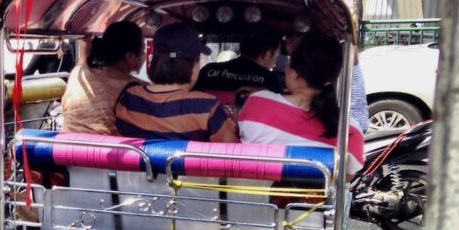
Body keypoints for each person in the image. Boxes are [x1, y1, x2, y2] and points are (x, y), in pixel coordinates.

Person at [238, 31, 365, 176]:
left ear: (295, 74)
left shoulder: (257, 103)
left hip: (253, 196)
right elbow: (347, 176)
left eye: (289, 64)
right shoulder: (351, 131)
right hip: (314, 198)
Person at [114, 21, 236, 142]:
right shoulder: (206, 107)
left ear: (155, 61)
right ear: (194, 64)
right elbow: (231, 154)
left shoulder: (129, 98)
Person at [61, 20, 145, 134]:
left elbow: (83, 62)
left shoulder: (78, 73)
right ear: (130, 56)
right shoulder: (136, 89)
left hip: (64, 148)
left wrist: (86, 46)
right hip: (109, 150)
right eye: (143, 51)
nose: (144, 56)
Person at [195, 29, 284, 106]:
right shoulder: (272, 82)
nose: (276, 59)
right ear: (267, 54)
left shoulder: (208, 70)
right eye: (277, 54)